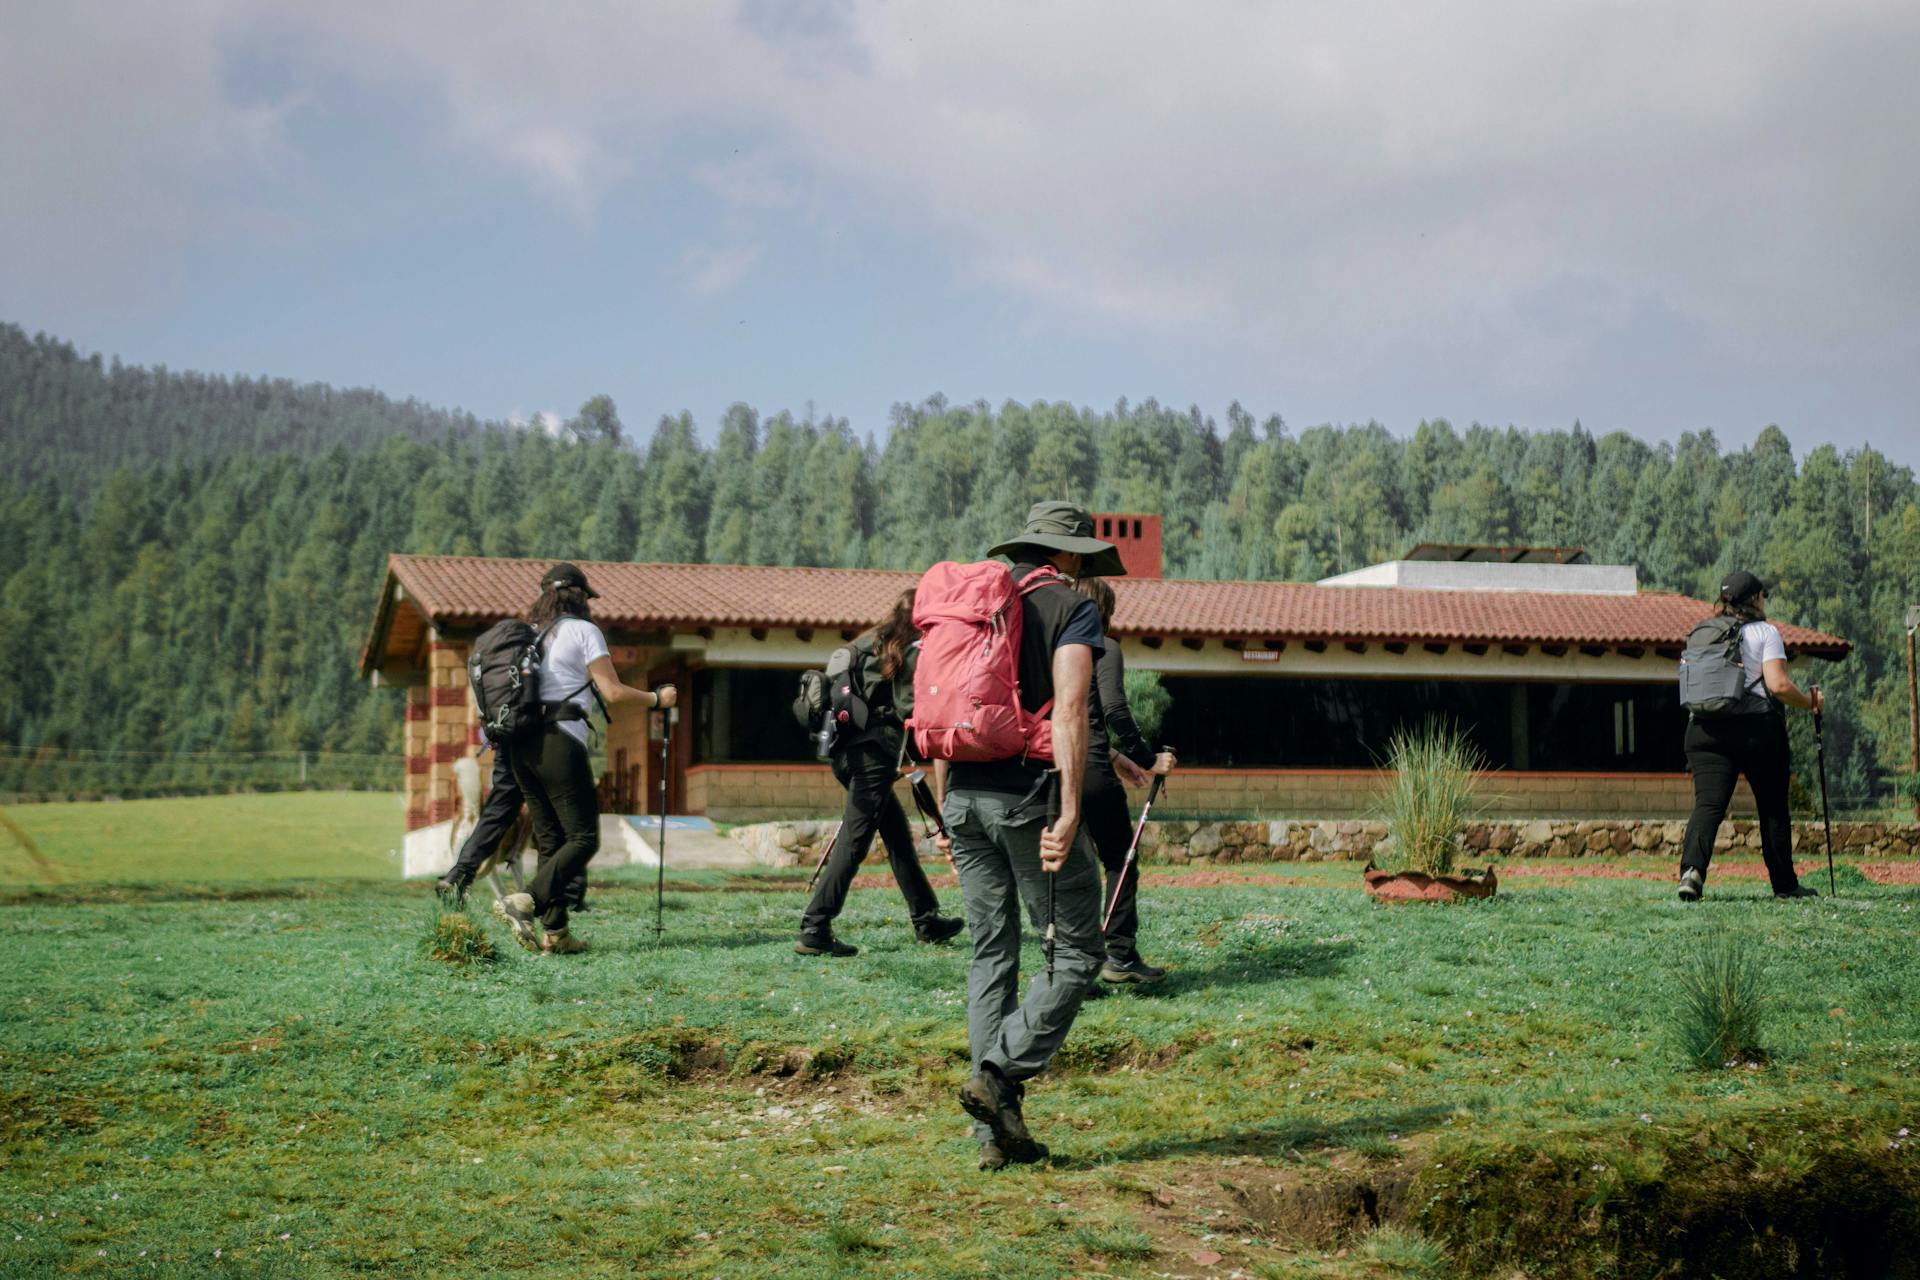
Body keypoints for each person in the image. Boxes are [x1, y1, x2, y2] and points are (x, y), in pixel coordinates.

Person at [934, 501, 1122, 1170]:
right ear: (1068, 556)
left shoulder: (968, 602)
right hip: (1027, 797)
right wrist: (1071, 809)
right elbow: (1071, 709)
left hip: (960, 795)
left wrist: (942, 814)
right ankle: (999, 1074)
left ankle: (995, 1139)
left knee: (992, 956)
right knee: (1075, 953)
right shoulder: (1070, 606)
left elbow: (940, 711)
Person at [493, 563, 675, 953]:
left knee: (551, 841)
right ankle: (524, 901)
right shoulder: (583, 630)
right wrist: (657, 699)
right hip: (559, 740)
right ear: (580, 597)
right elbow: (611, 691)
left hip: (520, 744)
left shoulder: (532, 636)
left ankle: (555, 935)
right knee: (583, 838)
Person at [796, 590, 965, 956]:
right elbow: (909, 707)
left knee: (898, 837)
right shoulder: (909, 649)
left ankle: (927, 919)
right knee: (854, 842)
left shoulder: (864, 642)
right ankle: (815, 926)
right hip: (873, 757)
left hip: (842, 752)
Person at [1678, 570, 1823, 902]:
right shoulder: (1765, 632)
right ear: (1756, 599)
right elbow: (1778, 685)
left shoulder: (1703, 632)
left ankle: (1691, 873)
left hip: (1703, 728)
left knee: (1709, 805)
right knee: (1772, 806)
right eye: (1762, 596)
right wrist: (1810, 702)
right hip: (1756, 730)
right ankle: (1785, 885)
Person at [1071, 577, 1177, 984]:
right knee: (1120, 858)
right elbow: (1113, 710)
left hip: (1053, 767)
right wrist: (1149, 759)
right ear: (1104, 613)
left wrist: (1118, 758)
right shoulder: (1103, 647)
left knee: (1066, 868)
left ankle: (1069, 964)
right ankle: (1120, 955)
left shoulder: (1050, 649)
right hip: (1091, 769)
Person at [435, 746, 587, 912]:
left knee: (496, 813)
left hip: (506, 751)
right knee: (568, 825)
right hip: (540, 749)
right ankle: (564, 897)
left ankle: (457, 875)